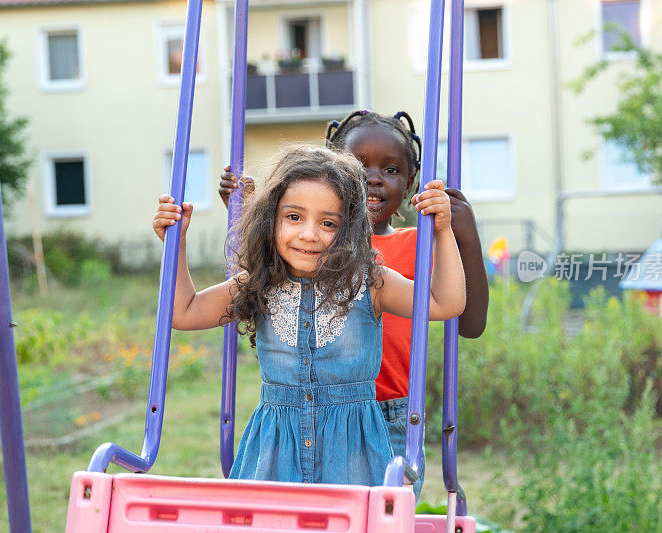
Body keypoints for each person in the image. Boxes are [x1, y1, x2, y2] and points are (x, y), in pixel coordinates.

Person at [155, 145, 466, 486]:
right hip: (274, 459)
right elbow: (183, 312)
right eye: (294, 217)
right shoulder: (259, 282)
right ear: (269, 219)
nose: (309, 234)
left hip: (354, 461)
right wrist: (177, 244)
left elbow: (444, 302)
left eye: (328, 223)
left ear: (349, 229)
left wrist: (442, 231)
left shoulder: (370, 281)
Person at [220, 110, 489, 497]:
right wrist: (244, 210)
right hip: (307, 410)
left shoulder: (419, 245)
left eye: (392, 170)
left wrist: (463, 237)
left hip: (390, 412)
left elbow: (468, 321)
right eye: (358, 165)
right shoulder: (308, 247)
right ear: (333, 172)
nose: (374, 178)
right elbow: (262, 268)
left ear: (410, 182)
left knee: (378, 512)